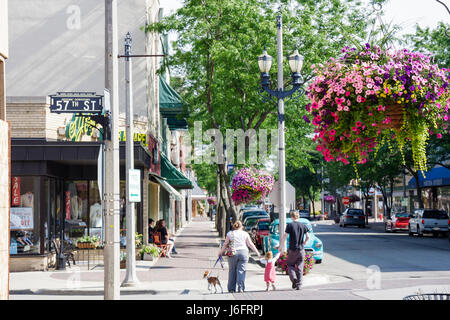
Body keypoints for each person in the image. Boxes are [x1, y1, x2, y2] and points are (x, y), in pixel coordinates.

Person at [218, 220, 261, 293]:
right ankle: (240, 288)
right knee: (241, 271)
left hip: (232, 253)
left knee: (232, 271)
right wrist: (257, 253)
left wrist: (220, 253)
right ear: (241, 227)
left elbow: (225, 244)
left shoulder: (229, 234)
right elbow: (250, 244)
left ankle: (231, 288)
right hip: (243, 253)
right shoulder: (245, 234)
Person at [278, 211, 310, 290]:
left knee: (290, 265)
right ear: (298, 216)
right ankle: (299, 285)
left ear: (292, 217)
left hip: (292, 250)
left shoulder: (290, 225)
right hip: (301, 249)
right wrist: (304, 243)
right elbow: (308, 236)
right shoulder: (303, 225)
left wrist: (281, 246)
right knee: (300, 267)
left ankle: (294, 279)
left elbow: (285, 236)